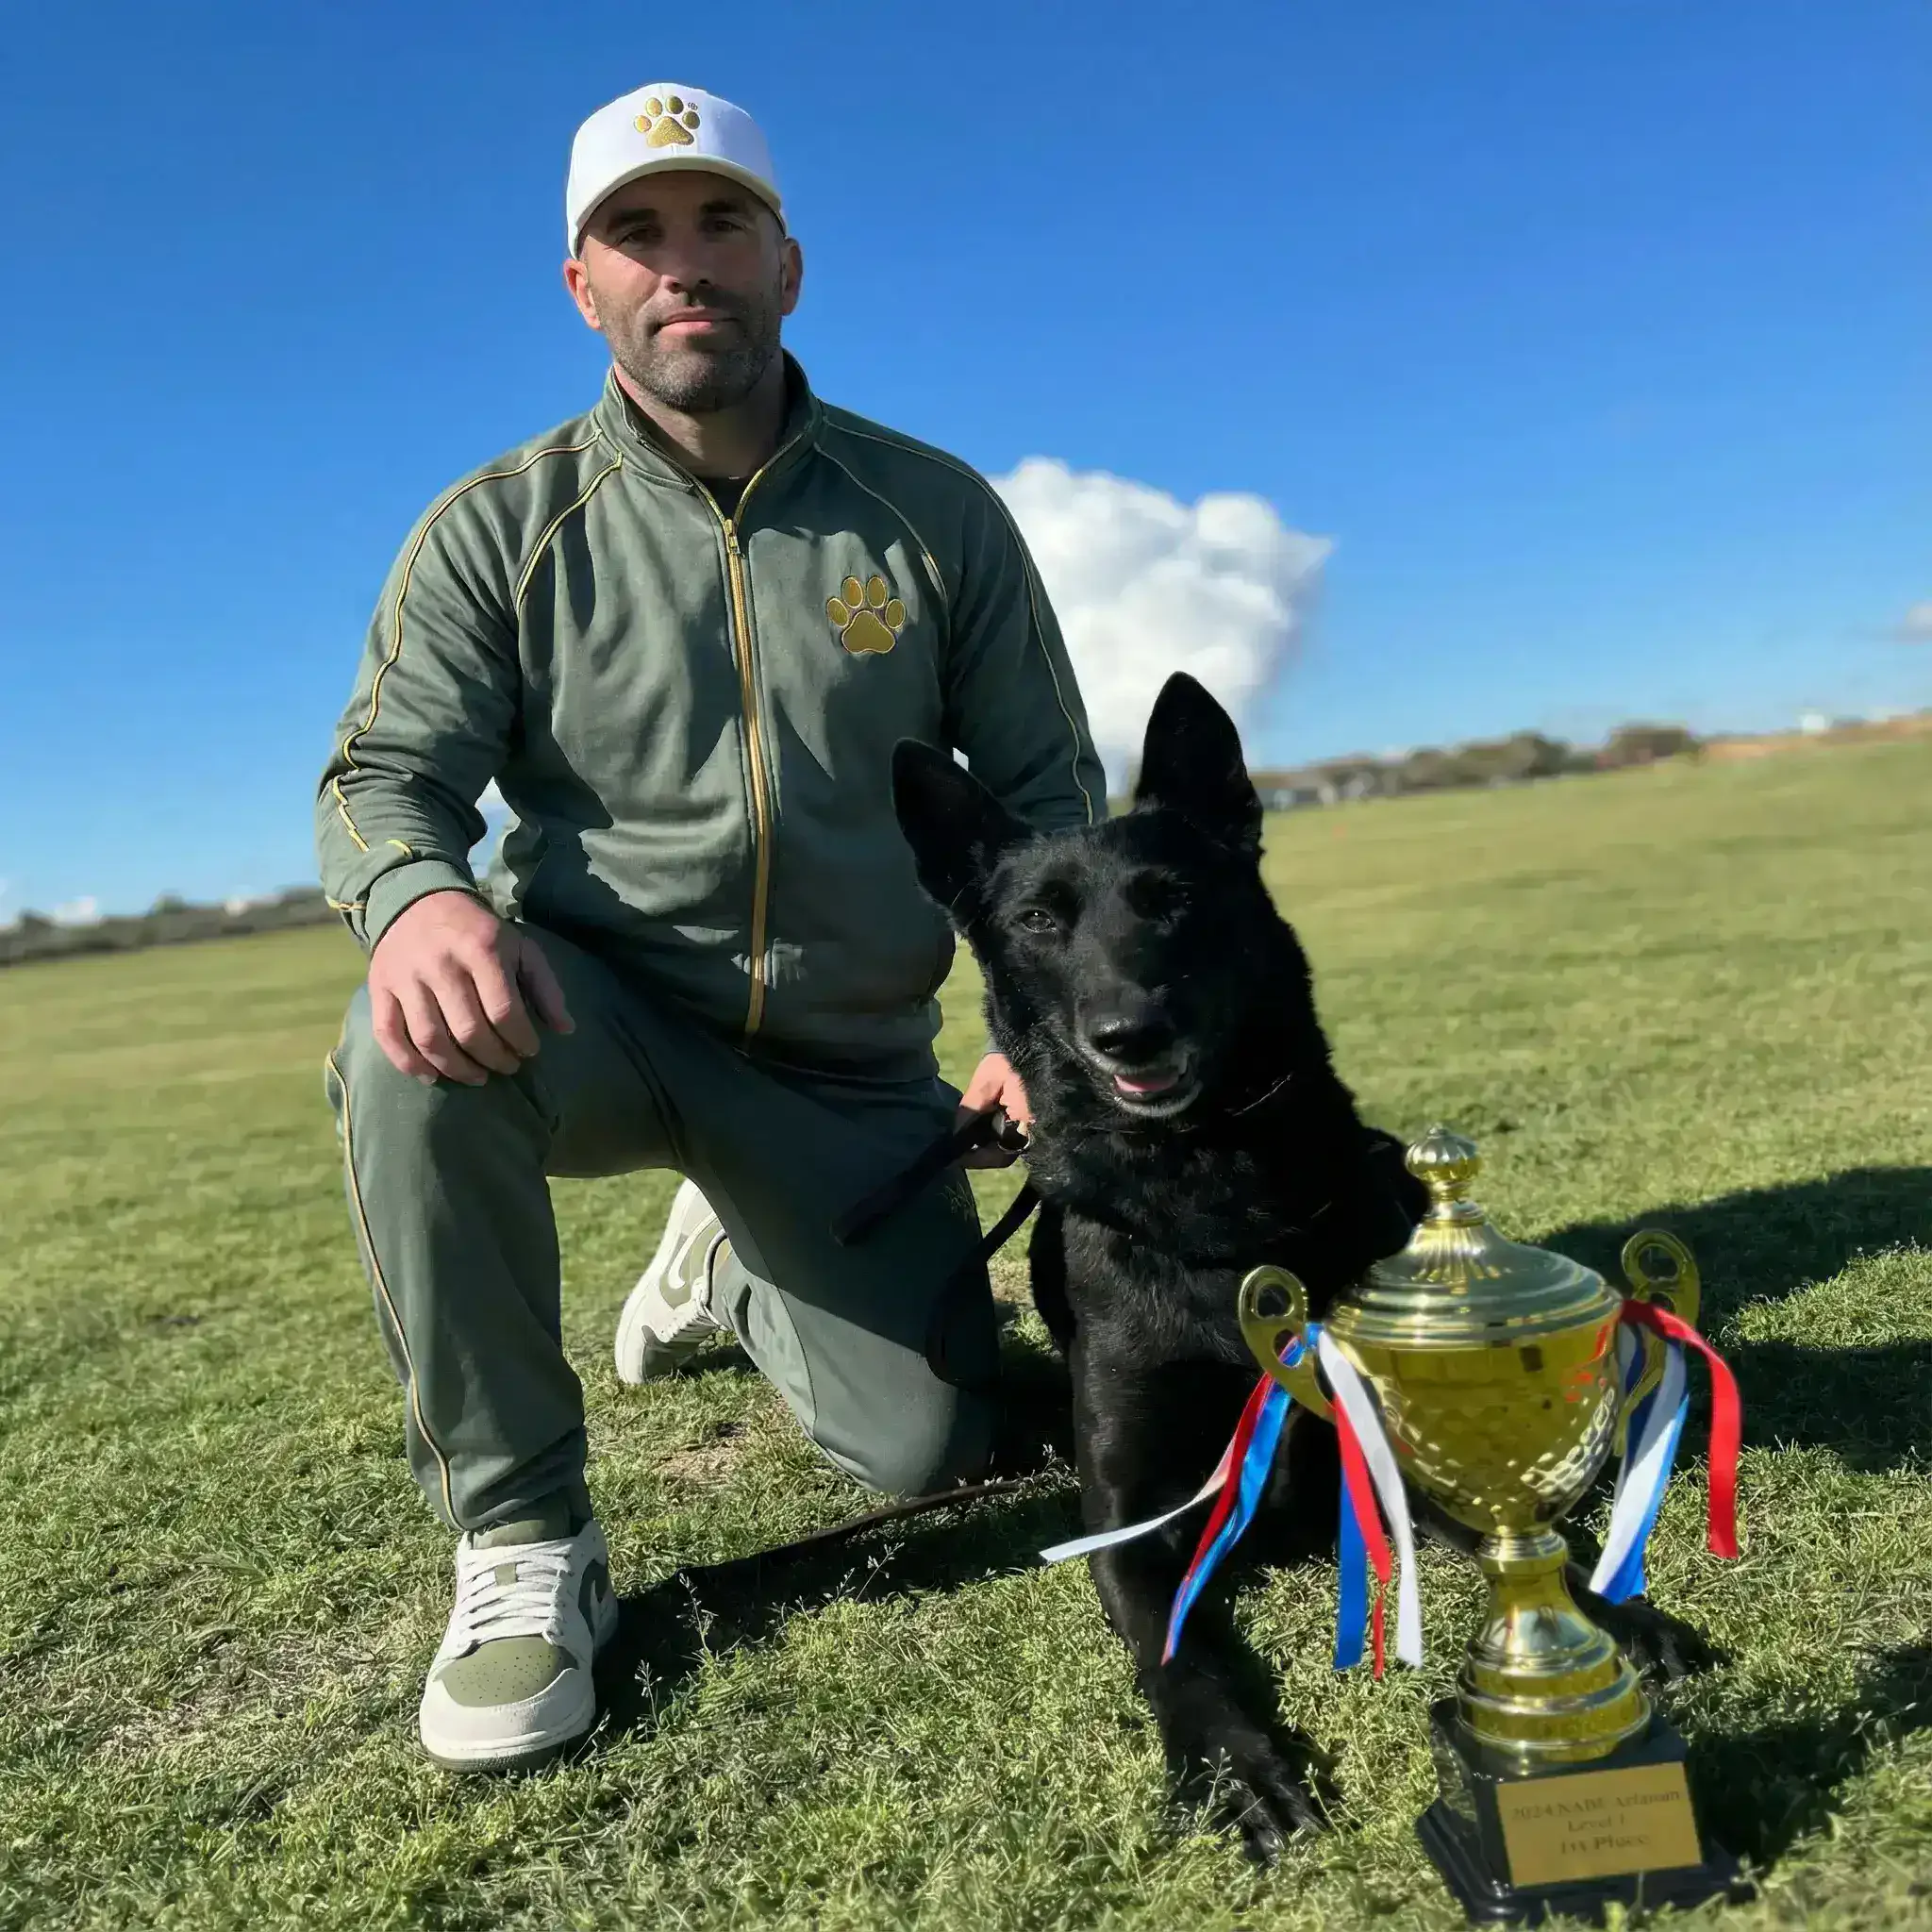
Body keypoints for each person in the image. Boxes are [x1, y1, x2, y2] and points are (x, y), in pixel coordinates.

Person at [316, 81, 1104, 1772]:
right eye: (638, 234)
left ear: (788, 265)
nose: (687, 266)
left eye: (721, 225)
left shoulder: (933, 511)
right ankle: (525, 1538)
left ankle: (724, 1268)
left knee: (938, 1452)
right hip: (592, 1016)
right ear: (583, 287)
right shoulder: (499, 531)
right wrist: (419, 901)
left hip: (844, 1071)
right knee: (404, 1047)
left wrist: (1033, 1027)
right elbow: (383, 776)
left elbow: (1047, 798)